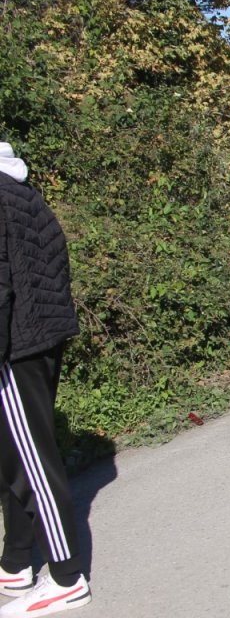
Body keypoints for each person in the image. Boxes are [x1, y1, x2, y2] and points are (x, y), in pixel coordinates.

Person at [0, 142, 91, 616]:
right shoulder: (21, 189)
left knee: (33, 461)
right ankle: (15, 563)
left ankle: (65, 576)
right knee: (14, 458)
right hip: (39, 337)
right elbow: (55, 259)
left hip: (14, 346)